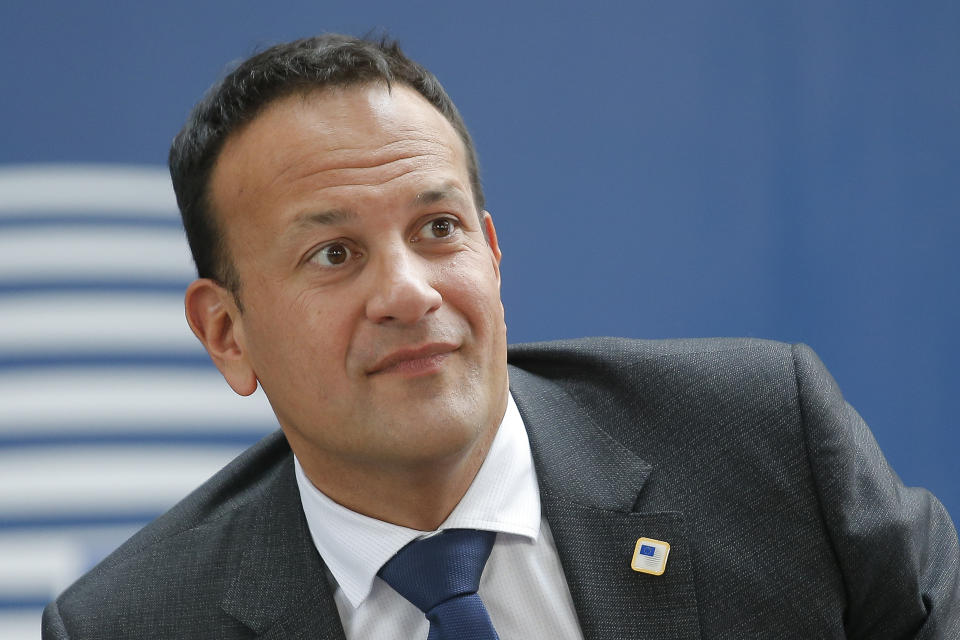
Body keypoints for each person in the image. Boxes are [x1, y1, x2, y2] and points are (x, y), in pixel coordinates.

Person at [43, 34, 959, 639]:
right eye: (333, 254)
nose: (407, 293)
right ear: (226, 332)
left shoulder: (766, 444)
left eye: (438, 229)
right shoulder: (133, 625)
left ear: (489, 250)